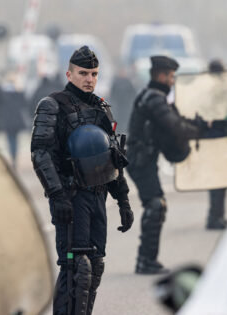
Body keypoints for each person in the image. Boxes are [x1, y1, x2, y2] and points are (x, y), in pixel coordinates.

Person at [30, 46, 134, 314]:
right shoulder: (52, 105)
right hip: (71, 198)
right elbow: (41, 154)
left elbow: (111, 158)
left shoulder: (101, 107)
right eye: (83, 73)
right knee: (76, 267)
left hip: (98, 196)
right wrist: (57, 196)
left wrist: (123, 200)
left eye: (94, 74)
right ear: (70, 73)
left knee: (95, 266)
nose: (89, 78)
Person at [126, 55, 209, 275]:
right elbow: (174, 126)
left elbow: (178, 122)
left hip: (144, 158)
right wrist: (198, 132)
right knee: (155, 205)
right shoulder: (154, 98)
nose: (173, 81)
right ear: (161, 75)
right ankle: (145, 261)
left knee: (156, 204)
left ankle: (147, 260)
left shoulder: (156, 96)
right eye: (171, 77)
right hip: (140, 160)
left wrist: (199, 126)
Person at [206, 59, 227, 230]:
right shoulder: (215, 91)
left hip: (217, 139)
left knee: (221, 181)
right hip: (216, 140)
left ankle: (218, 215)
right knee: (217, 181)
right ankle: (215, 217)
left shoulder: (210, 90)